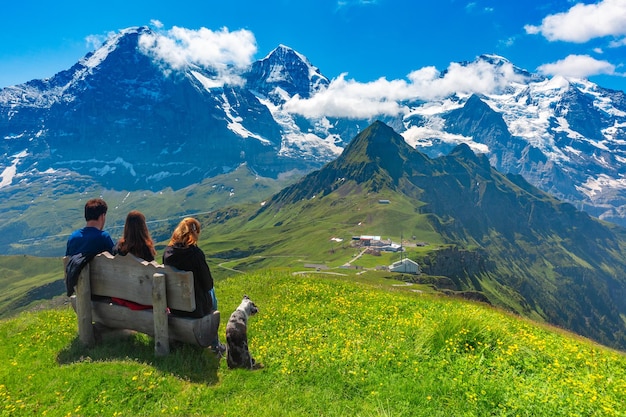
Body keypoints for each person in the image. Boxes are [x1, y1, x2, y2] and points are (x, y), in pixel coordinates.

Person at [163, 217, 225, 353]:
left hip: (175, 307)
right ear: (194, 233)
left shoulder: (167, 254)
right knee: (212, 292)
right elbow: (208, 284)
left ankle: (214, 344)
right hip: (196, 308)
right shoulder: (195, 254)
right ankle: (215, 345)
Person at [64, 198, 115, 296]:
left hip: (79, 292)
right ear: (102, 216)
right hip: (102, 294)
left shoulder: (73, 237)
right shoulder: (103, 237)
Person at [110, 210, 156, 310]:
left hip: (121, 297)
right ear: (143, 227)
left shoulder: (117, 248)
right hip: (142, 300)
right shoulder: (145, 249)